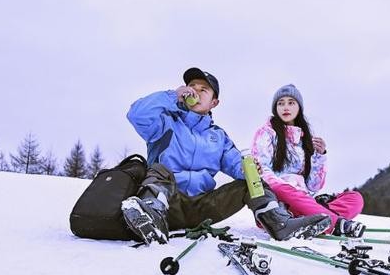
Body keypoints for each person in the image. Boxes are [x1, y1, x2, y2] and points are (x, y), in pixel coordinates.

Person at [122, 68, 331, 245]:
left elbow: (236, 165)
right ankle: (149, 216)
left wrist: (249, 169)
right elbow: (136, 115)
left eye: (203, 89)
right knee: (160, 170)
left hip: (201, 207)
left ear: (214, 102)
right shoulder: (165, 122)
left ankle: (280, 224)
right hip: (168, 203)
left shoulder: (218, 137)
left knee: (250, 179)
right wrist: (171, 96)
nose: (195, 91)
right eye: (192, 87)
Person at [251, 84, 366, 237]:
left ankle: (312, 218)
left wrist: (320, 156)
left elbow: (313, 185)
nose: (285, 107)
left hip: (303, 200)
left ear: (299, 107)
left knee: (355, 198)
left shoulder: (305, 139)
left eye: (291, 102)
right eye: (281, 103)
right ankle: (335, 224)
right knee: (281, 188)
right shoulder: (266, 133)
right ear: (275, 108)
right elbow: (263, 172)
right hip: (277, 202)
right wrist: (290, 189)